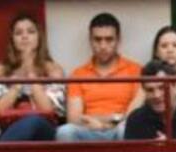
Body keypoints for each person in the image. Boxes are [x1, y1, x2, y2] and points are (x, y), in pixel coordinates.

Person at [56, 13, 143, 142]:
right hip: (88, 129)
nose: (103, 46)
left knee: (125, 130)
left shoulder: (136, 70)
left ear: (118, 40)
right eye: (97, 39)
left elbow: (134, 115)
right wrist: (111, 119)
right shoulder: (78, 74)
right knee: (65, 132)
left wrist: (103, 124)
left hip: (120, 129)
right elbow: (73, 118)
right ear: (90, 40)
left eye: (109, 39)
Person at [0, 13, 65, 143]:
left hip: (42, 128)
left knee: (32, 120)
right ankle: (0, 150)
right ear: (12, 40)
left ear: (39, 38)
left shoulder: (53, 70)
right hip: (6, 129)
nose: (24, 37)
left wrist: (31, 75)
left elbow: (48, 110)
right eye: (18, 33)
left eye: (31, 32)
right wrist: (18, 83)